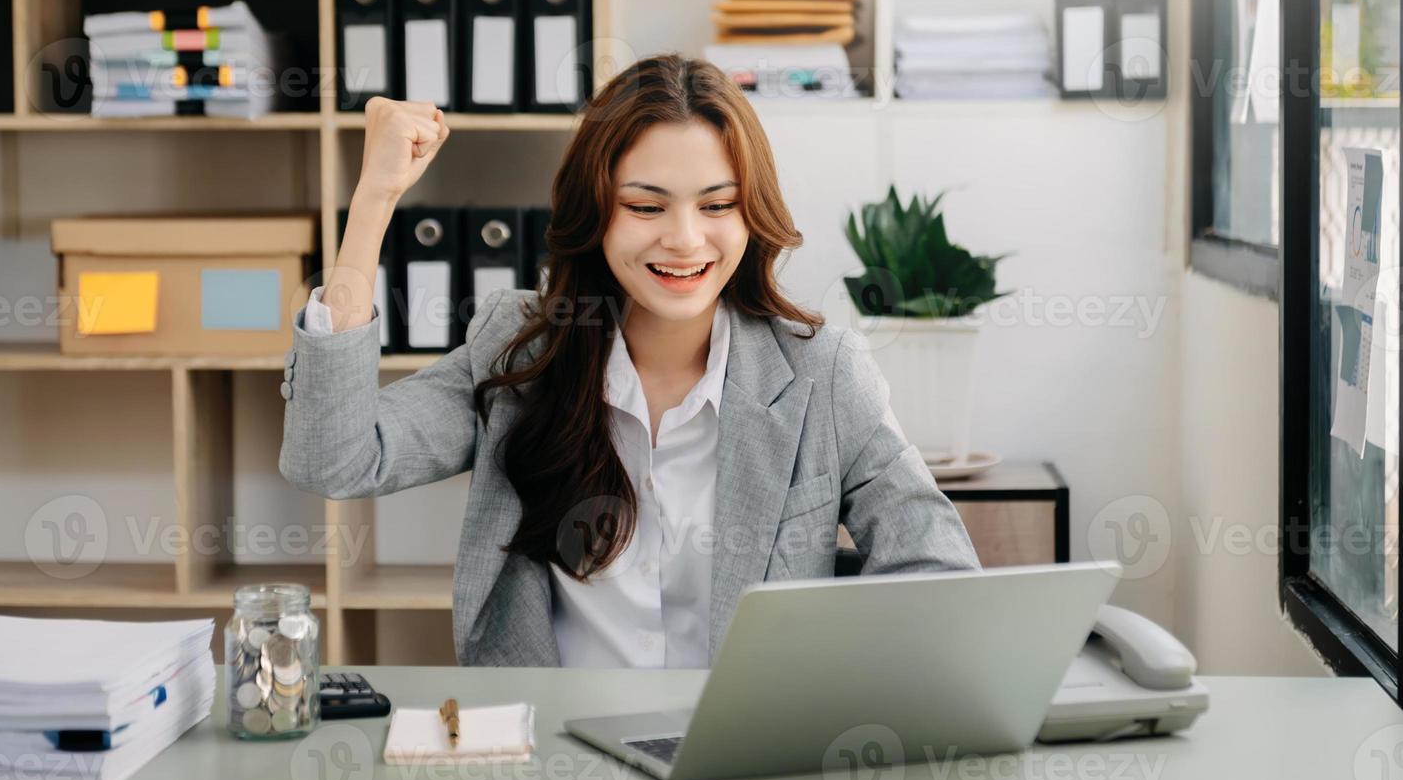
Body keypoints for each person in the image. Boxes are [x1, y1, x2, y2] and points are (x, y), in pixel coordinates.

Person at [279, 53, 978, 668]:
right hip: (557, 766)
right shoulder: (518, 348)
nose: (684, 239)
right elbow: (333, 457)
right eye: (645, 207)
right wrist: (374, 200)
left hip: (743, 770)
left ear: (749, 214)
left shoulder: (822, 373)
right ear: (597, 215)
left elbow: (936, 568)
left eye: (717, 205)